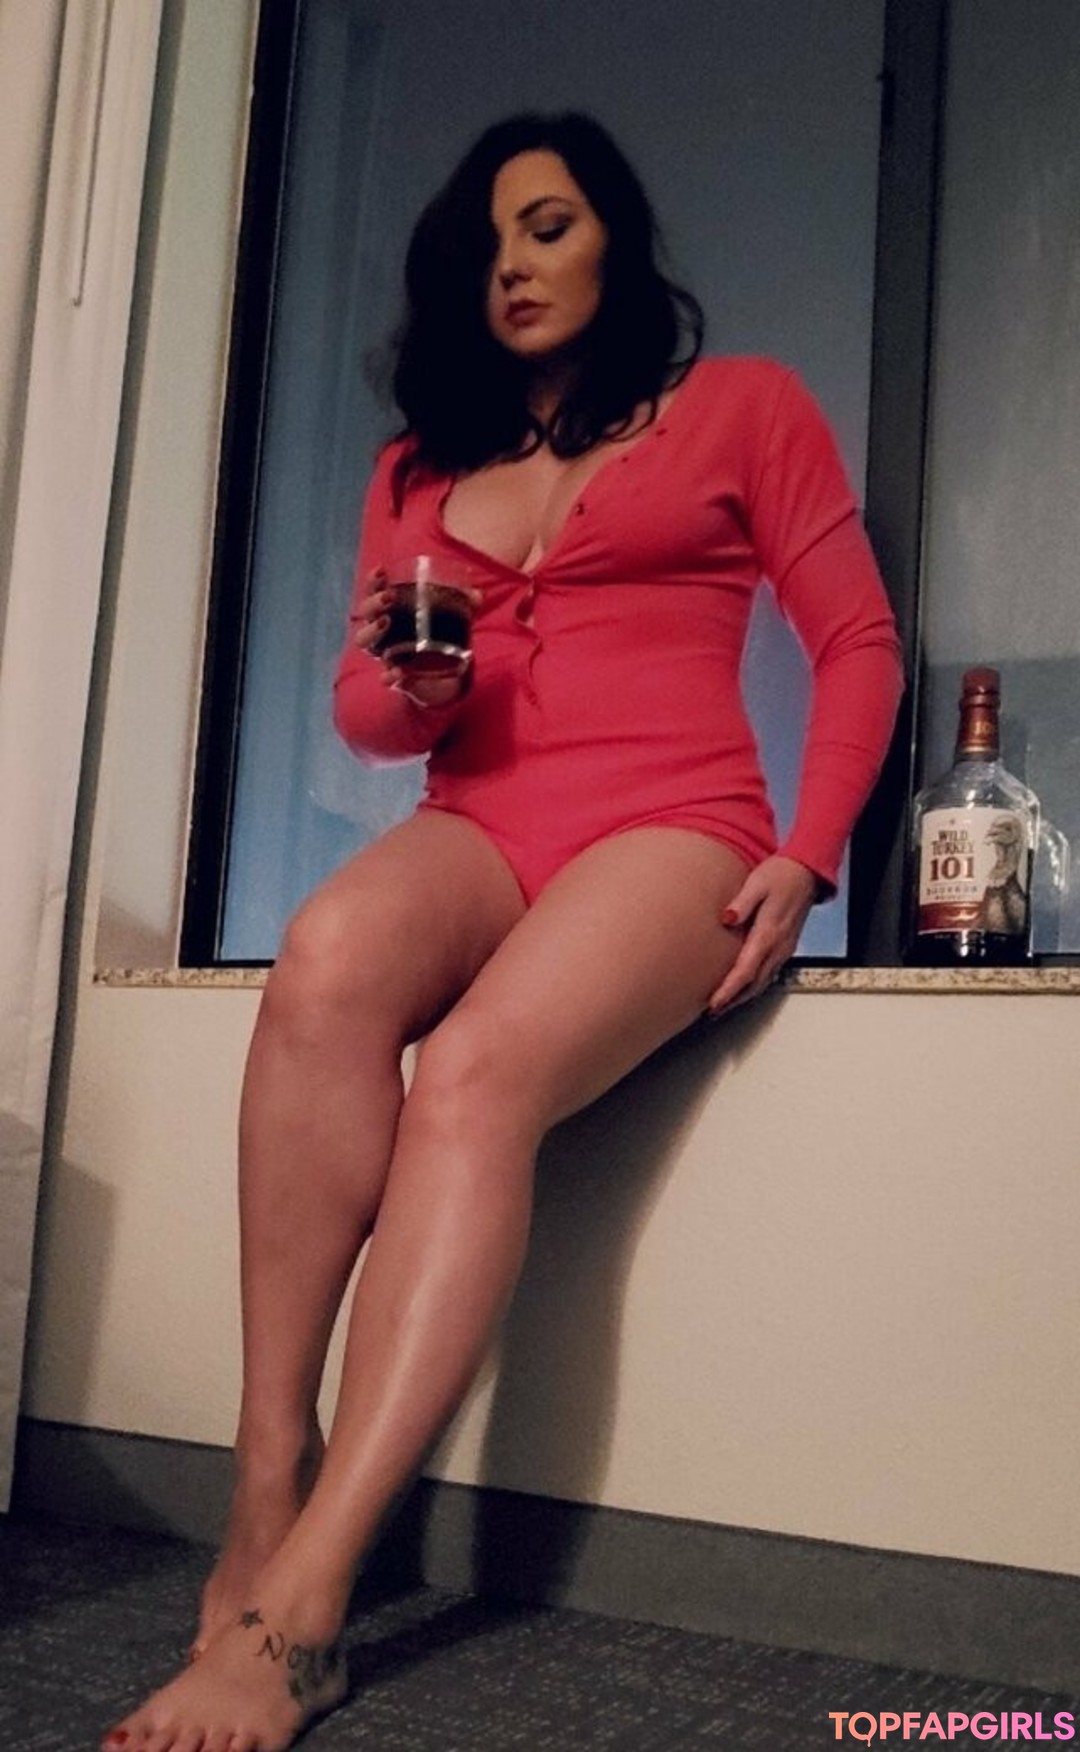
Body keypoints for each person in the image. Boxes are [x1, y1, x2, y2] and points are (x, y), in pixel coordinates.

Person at [104, 112, 903, 1752]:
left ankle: (306, 1607)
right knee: (325, 955)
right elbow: (367, 717)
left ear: (616, 240)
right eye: (484, 243)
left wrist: (809, 853)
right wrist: (416, 688)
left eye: (547, 226)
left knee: (471, 1075)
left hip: (672, 826)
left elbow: (858, 643)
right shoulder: (417, 471)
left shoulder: (743, 407)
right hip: (478, 822)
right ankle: (269, 1472)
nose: (513, 265)